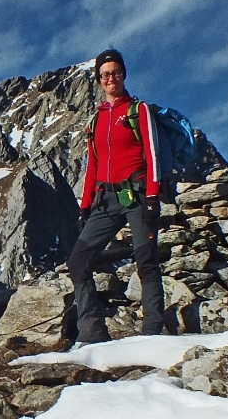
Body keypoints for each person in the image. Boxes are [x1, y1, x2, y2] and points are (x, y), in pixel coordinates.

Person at [67, 49, 172, 343]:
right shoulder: (95, 121)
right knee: (78, 261)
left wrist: (153, 195)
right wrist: (84, 206)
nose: (110, 78)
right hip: (104, 199)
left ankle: (152, 333)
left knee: (146, 261)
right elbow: (92, 166)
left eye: (115, 72)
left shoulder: (138, 111)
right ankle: (91, 333)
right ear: (99, 80)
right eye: (104, 74)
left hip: (138, 194)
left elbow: (151, 153)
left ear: (124, 74)